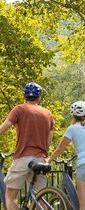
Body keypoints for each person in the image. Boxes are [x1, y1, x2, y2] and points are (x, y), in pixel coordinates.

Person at [0, 82, 54, 210]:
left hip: (23, 158)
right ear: (39, 97)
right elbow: (49, 140)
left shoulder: (19, 109)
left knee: (10, 195)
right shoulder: (48, 114)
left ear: (24, 96)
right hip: (41, 159)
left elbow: (3, 129)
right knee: (40, 198)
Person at [47, 101, 85, 210]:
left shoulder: (72, 129)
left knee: (84, 204)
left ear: (73, 116)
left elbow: (60, 148)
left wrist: (49, 160)